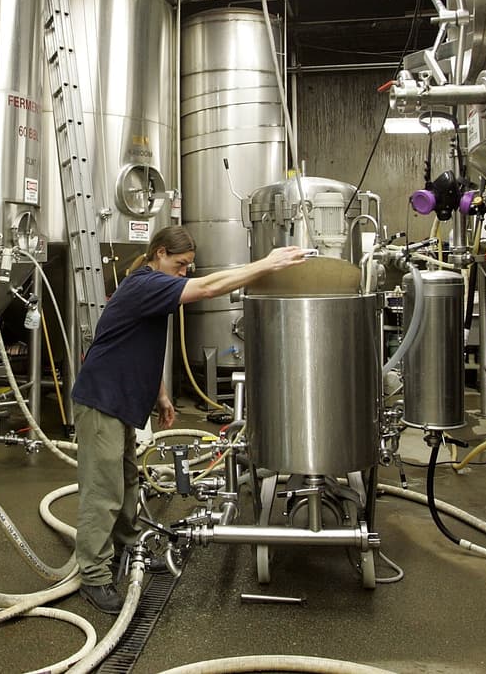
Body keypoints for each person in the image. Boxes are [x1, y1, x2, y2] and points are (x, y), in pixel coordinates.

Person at [71, 224, 309, 614]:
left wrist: (160, 393)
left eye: (188, 267)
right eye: (180, 265)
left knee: (127, 480)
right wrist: (266, 264)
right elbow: (210, 288)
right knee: (104, 492)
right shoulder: (144, 283)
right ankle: (94, 577)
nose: (184, 273)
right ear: (160, 253)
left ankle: (128, 546)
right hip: (102, 402)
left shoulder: (149, 287)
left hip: (122, 401)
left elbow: (137, 343)